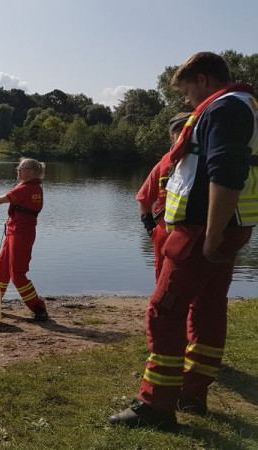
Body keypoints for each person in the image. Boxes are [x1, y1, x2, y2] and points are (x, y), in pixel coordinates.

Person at [110, 52, 257, 430]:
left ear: (205, 80)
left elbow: (226, 174)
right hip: (228, 228)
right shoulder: (248, 106)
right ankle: (192, 394)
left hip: (200, 231)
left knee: (165, 311)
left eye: (188, 91)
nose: (187, 101)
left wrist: (211, 235)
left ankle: (156, 406)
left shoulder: (223, 109)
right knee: (208, 309)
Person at [0, 157, 48, 321]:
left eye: (22, 168)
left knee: (17, 273)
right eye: (18, 167)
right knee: (2, 269)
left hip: (21, 234)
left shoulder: (26, 189)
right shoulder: (33, 187)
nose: (18, 170)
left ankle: (39, 308)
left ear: (32, 172)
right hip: (15, 232)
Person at [136, 112, 192, 281]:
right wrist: (151, 229)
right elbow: (144, 199)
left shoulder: (207, 161)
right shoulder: (163, 164)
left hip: (195, 233)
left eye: (187, 129)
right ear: (171, 136)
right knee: (164, 285)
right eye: (178, 130)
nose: (183, 134)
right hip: (164, 234)